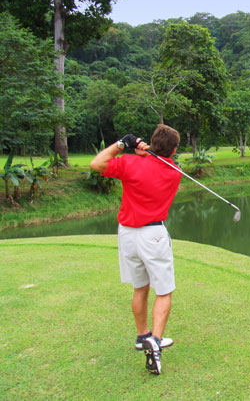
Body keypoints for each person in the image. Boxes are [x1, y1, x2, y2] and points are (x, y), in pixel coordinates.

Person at [90, 124, 182, 375]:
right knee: (163, 291)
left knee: (140, 288)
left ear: (151, 143)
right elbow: (161, 160)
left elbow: (97, 164)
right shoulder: (174, 171)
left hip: (127, 234)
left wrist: (123, 143)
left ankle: (143, 336)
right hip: (153, 234)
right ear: (174, 150)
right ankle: (155, 341)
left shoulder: (130, 163)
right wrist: (147, 151)